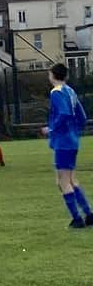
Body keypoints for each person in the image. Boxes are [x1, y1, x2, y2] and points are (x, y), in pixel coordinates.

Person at [41, 63, 92, 228]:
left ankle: (77, 219)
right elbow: (82, 116)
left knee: (62, 181)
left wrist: (52, 128)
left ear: (53, 75)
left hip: (63, 141)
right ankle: (89, 215)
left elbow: (64, 113)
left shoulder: (56, 92)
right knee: (71, 179)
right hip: (72, 139)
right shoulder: (71, 91)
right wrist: (74, 130)